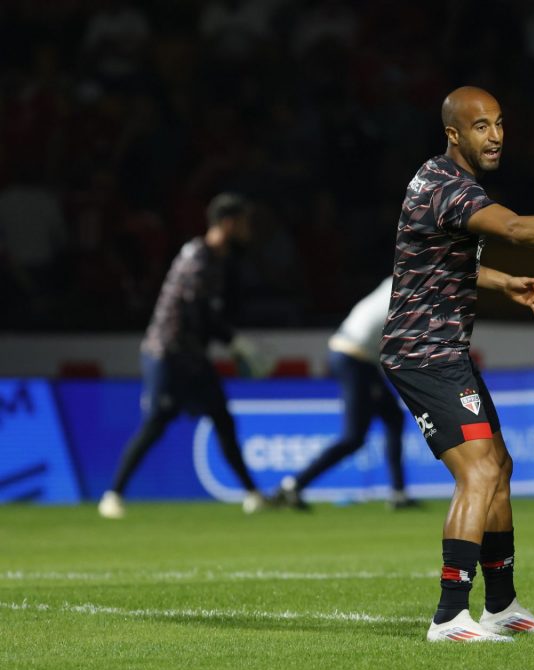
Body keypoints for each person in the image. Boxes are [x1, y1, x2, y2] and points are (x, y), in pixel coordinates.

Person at [380, 86, 534, 643]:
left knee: (500, 468)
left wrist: (501, 281)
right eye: (481, 126)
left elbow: (431, 265)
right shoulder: (449, 188)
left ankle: (502, 606)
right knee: (480, 472)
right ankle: (448, 616)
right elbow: (515, 229)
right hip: (424, 355)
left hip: (442, 350)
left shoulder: (441, 181)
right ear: (454, 134)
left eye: (499, 124)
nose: (495, 136)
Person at [98, 193, 268, 519]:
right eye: (244, 222)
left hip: (192, 355)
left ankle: (253, 494)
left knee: (222, 419)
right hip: (167, 354)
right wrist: (235, 343)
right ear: (228, 223)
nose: (249, 229)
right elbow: (196, 313)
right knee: (156, 424)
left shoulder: (219, 260)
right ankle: (112, 495)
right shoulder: (197, 257)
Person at [271, 276, 417, 511]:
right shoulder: (412, 291)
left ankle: (398, 494)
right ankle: (292, 486)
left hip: (354, 356)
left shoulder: (400, 279)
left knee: (392, 417)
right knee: (353, 438)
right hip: (354, 358)